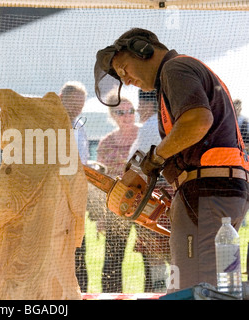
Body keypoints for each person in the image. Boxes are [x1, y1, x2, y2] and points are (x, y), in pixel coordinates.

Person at [94, 28, 249, 292]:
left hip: (207, 193)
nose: (126, 80)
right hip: (217, 191)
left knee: (194, 289)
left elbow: (197, 121)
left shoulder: (174, 70)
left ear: (143, 49)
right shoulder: (179, 73)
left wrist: (155, 158)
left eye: (123, 68)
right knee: (220, 288)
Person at [129, 89, 171, 292]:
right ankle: (170, 288)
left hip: (156, 189)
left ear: (148, 104)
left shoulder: (150, 125)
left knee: (157, 247)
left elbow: (138, 161)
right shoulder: (168, 121)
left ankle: (161, 289)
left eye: (141, 105)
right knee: (169, 245)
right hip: (169, 188)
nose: (138, 109)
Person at [96, 94, 138, 293]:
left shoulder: (144, 135)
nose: (127, 116)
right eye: (122, 112)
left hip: (144, 203)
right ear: (113, 115)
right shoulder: (106, 143)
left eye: (131, 111)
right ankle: (111, 295)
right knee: (113, 258)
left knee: (152, 256)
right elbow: (101, 181)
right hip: (116, 206)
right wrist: (101, 216)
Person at [59, 81, 89, 293]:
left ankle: (80, 291)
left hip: (75, 197)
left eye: (82, 103)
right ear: (61, 97)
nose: (78, 107)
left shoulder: (80, 125)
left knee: (79, 246)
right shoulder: (47, 123)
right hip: (54, 197)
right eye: (74, 102)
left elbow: (84, 159)